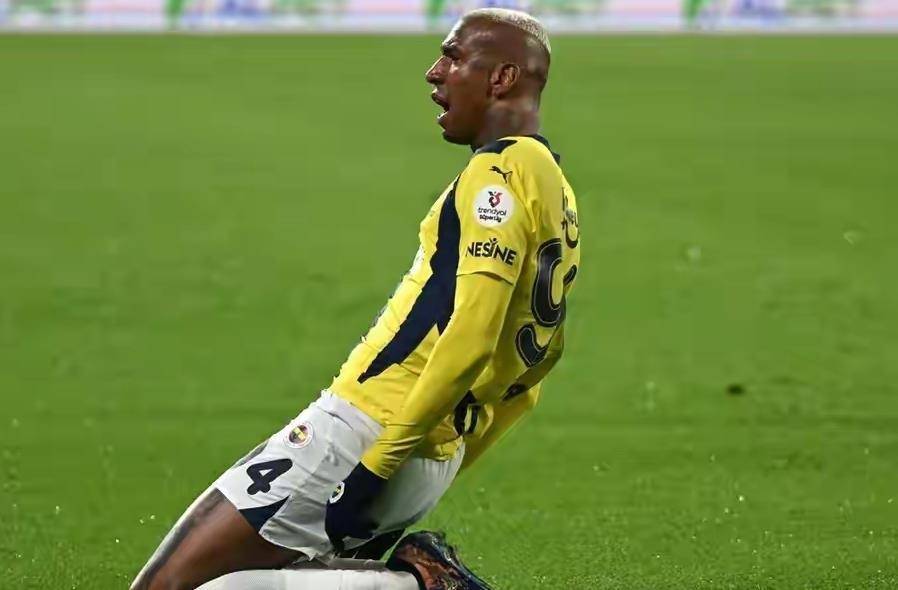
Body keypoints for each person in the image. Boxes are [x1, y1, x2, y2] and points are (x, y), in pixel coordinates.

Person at [130, 7, 580, 590]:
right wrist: (451, 456)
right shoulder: (555, 189)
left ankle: (417, 585)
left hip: (369, 429)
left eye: (452, 57)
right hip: (427, 445)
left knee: (167, 587)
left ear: (501, 78)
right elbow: (540, 358)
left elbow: (471, 338)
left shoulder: (496, 178)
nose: (434, 71)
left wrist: (378, 463)